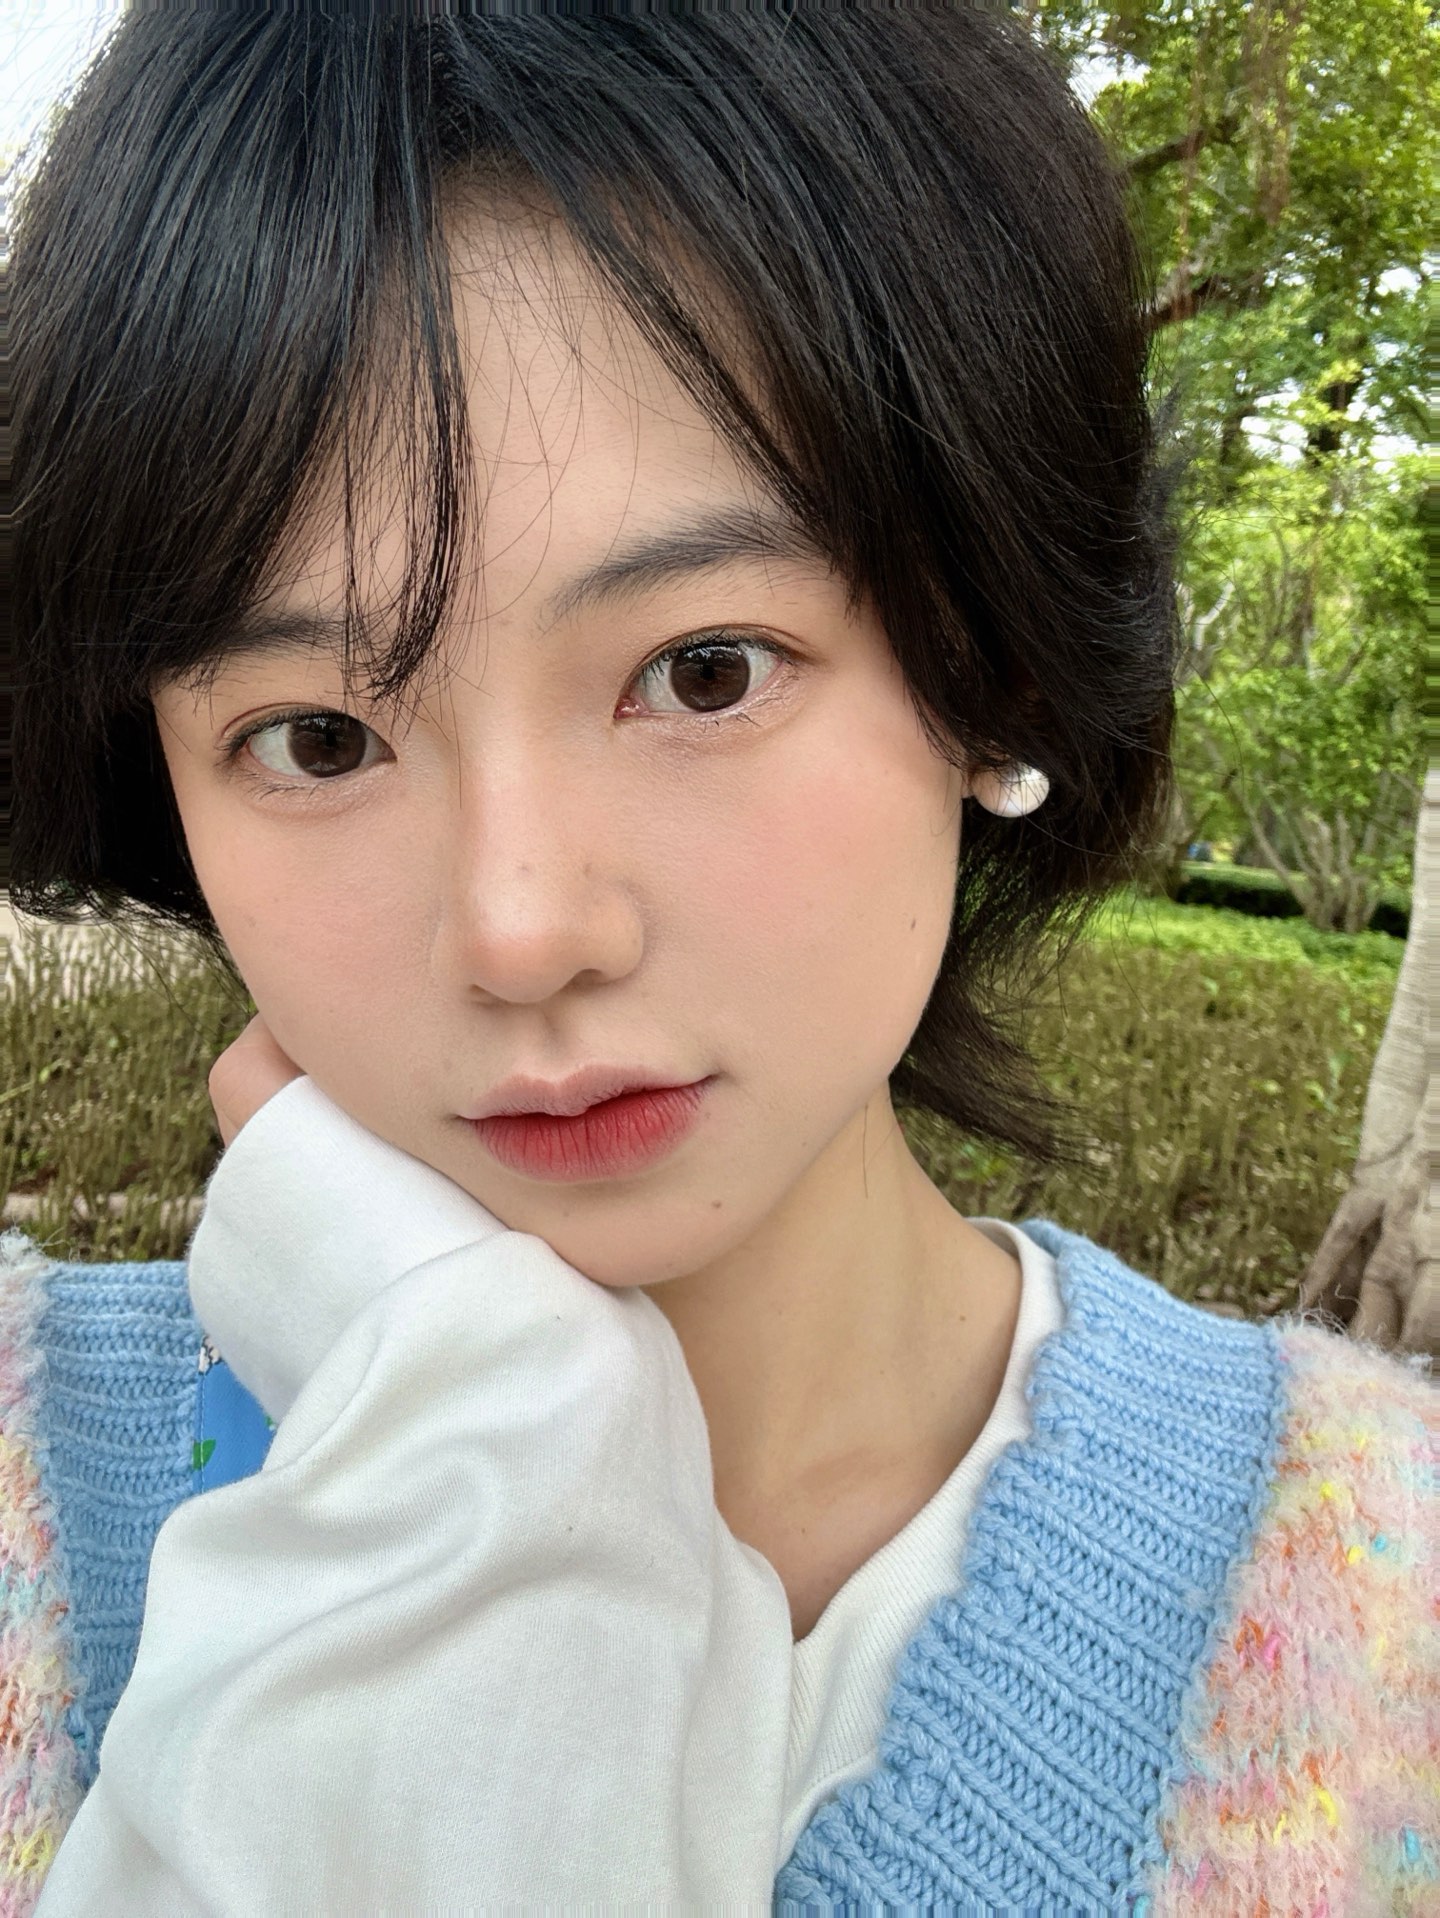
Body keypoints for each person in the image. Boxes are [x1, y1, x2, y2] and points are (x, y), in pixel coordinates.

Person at [7, 8, 1434, 1913]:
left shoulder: (1392, 1619)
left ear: (993, 664)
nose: (522, 926)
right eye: (319, 739)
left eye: (703, 671)